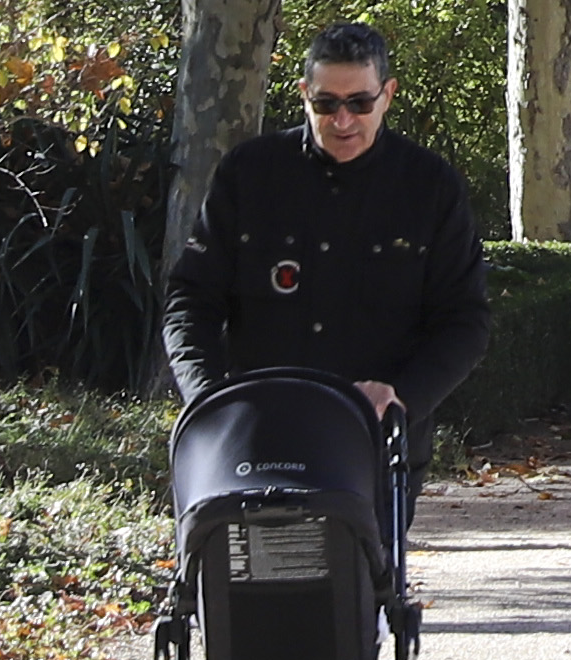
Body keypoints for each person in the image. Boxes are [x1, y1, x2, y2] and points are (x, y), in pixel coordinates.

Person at [165, 24, 497, 455]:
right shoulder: (248, 175)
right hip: (252, 436)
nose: (343, 121)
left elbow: (465, 321)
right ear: (305, 93)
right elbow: (192, 300)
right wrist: (209, 398)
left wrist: (402, 396)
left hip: (376, 440)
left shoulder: (430, 187)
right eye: (326, 103)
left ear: (387, 95)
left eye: (360, 103)